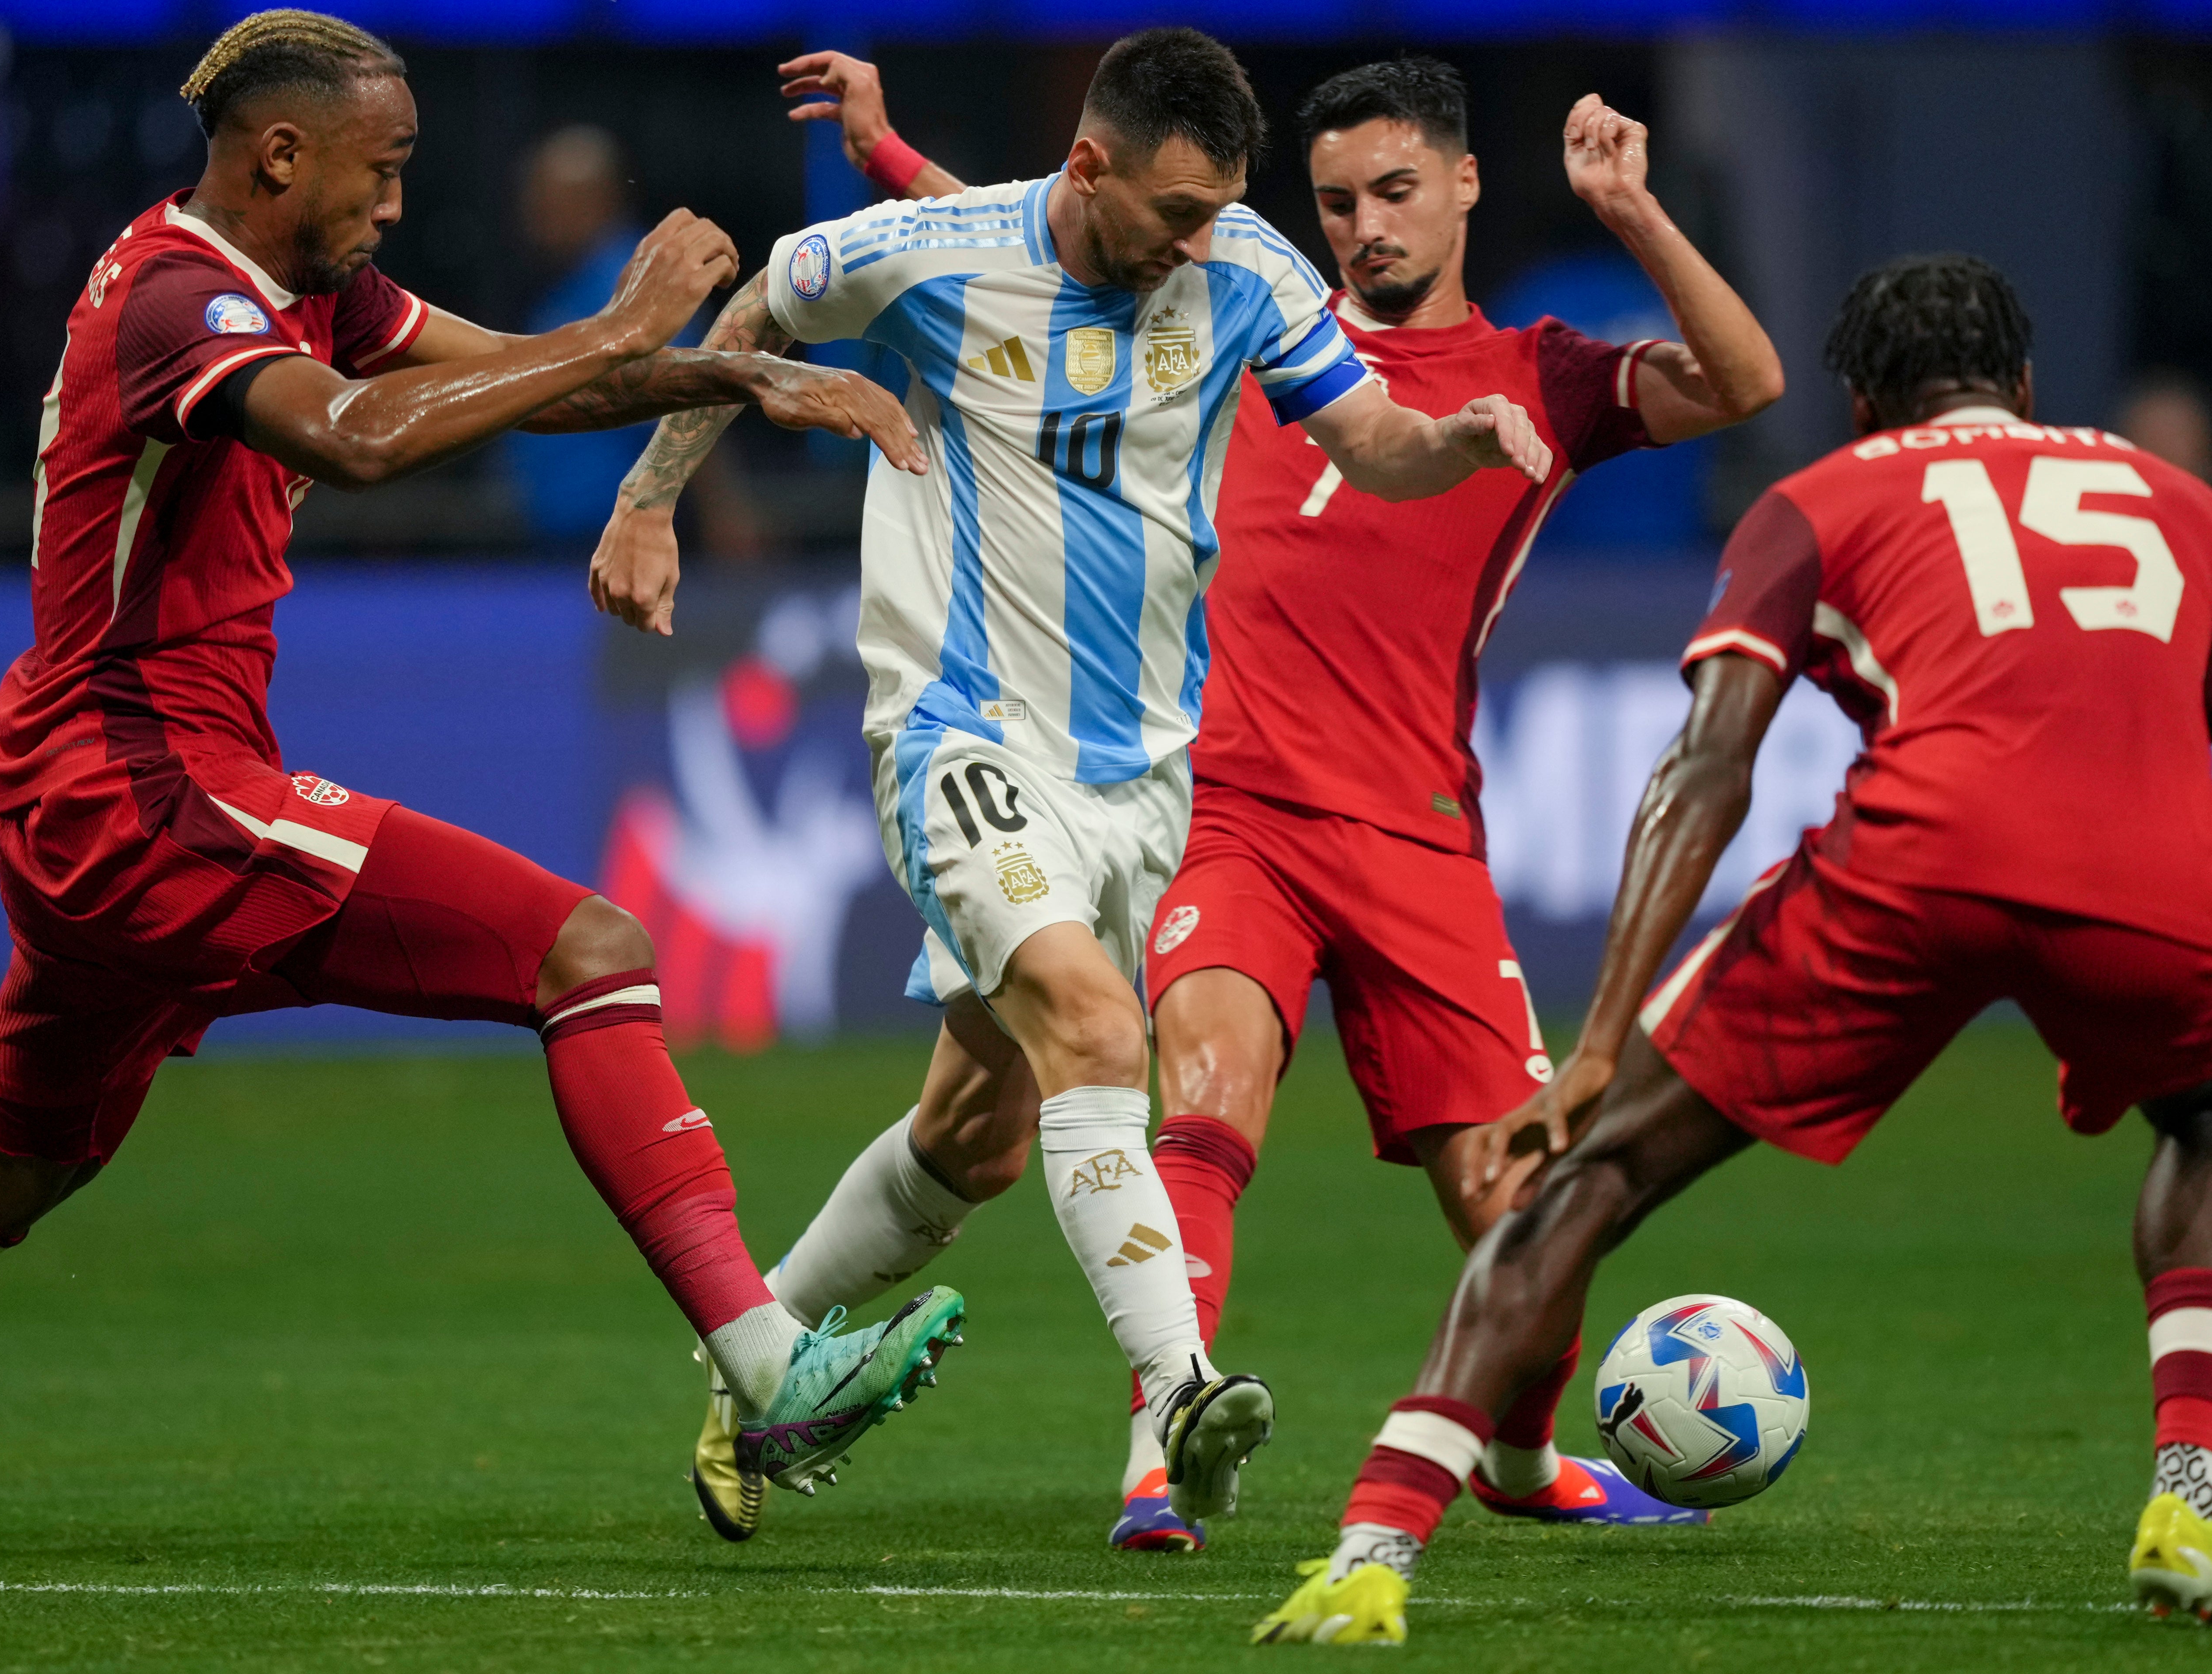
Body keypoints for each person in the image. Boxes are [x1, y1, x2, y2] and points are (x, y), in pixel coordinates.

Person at [0, 7, 954, 1564]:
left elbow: (512, 384)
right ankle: (767, 1366)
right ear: (279, 154)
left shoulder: (298, 288)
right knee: (588, 949)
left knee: (8, 1170)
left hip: (85, 801)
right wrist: (627, 321)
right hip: (148, 789)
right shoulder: (175, 297)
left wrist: (722, 375)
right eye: (387, 166)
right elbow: (362, 442)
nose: (399, 202)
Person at [742, 51, 1783, 1550]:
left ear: (1466, 184)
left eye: (1394, 195)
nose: (1363, 228)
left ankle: (1520, 1452)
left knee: (1516, 1200)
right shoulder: (1236, 311)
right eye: (1337, 201)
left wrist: (1628, 209)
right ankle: (1164, 1442)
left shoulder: (1536, 374)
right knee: (1204, 1095)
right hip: (1224, 803)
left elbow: (1747, 385)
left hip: (1417, 823)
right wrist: (893, 158)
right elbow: (1057, 238)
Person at [588, 28, 1552, 1542]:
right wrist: (649, 502)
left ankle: (755, 1354)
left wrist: (1455, 439)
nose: (1196, 243)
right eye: (1172, 213)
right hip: (961, 735)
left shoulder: (1237, 269)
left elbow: (1366, 439)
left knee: (972, 1130)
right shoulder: (927, 258)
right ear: (1087, 168)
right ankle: (1179, 1391)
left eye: (1217, 213)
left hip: (1141, 781)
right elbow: (765, 297)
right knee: (1102, 1030)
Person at [1251, 253, 2212, 1645]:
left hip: (1920, 863)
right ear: (2020, 386)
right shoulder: (2179, 501)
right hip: (2159, 870)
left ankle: (1374, 1548)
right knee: (2200, 1121)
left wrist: (1595, 1049)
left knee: (1593, 1176)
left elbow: (1707, 772)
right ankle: (2189, 1482)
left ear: (1865, 403)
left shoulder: (1823, 500)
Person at [501, 126, 760, 555]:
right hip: (555, 546)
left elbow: (692, 397)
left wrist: (726, 515)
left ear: (597, 199)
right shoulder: (563, 288)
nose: (534, 213)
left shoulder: (640, 282)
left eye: (549, 200)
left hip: (618, 544)